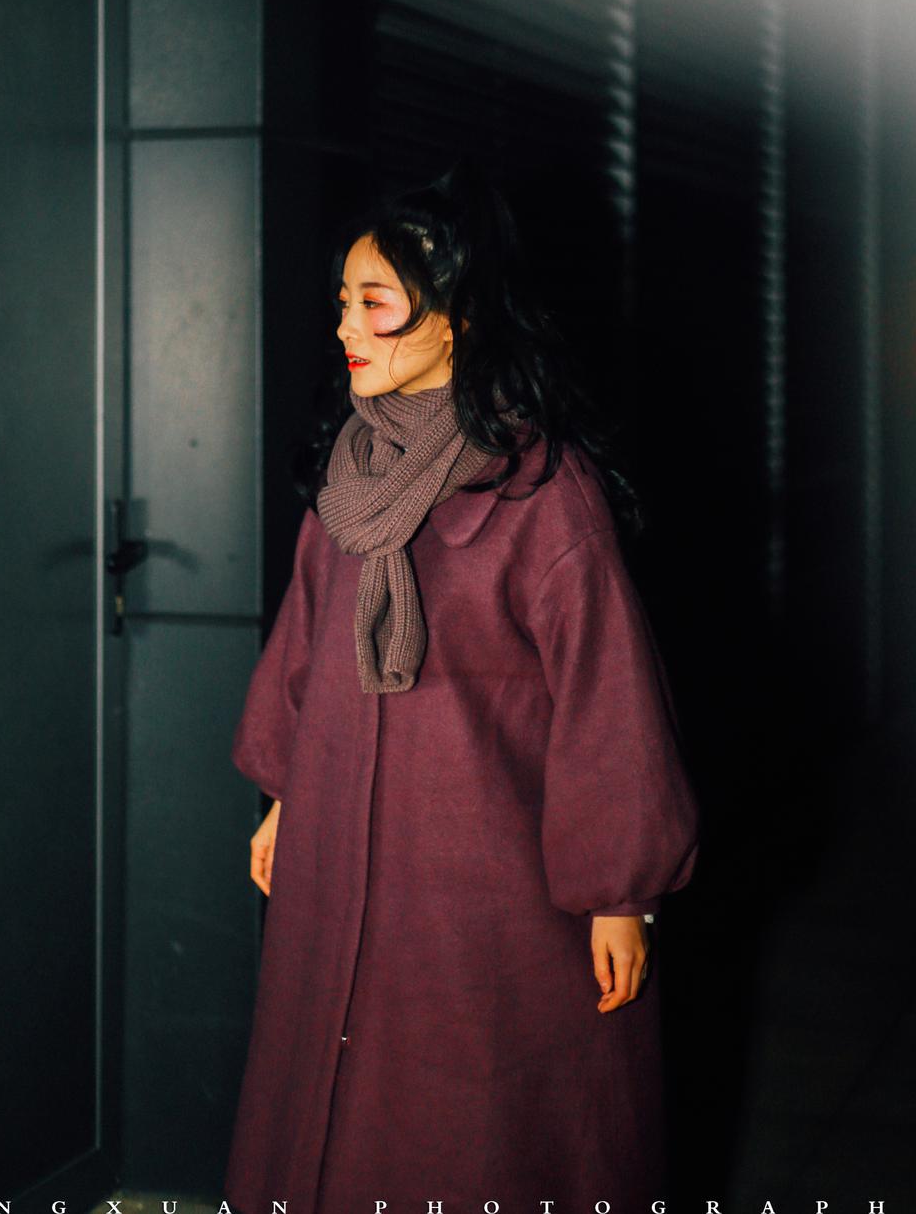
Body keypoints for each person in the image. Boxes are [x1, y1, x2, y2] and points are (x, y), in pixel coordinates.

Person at [223, 157, 700, 1214]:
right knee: (327, 1120)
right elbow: (306, 645)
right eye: (342, 301)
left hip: (479, 889)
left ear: (459, 319)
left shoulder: (542, 491)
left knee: (472, 1133)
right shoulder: (349, 471)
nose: (346, 326)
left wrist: (619, 894)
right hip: (339, 853)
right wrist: (285, 796)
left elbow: (609, 702)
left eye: (376, 303)